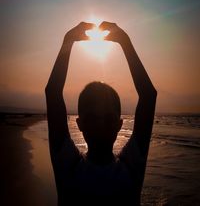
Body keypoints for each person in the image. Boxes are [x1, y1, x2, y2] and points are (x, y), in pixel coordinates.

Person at [45, 21, 157, 205]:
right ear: (80, 124)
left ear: (119, 125)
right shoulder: (70, 167)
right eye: (92, 119)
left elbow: (149, 96)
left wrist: (125, 42)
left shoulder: (71, 166)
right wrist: (68, 41)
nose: (100, 126)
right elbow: (52, 93)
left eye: (107, 119)